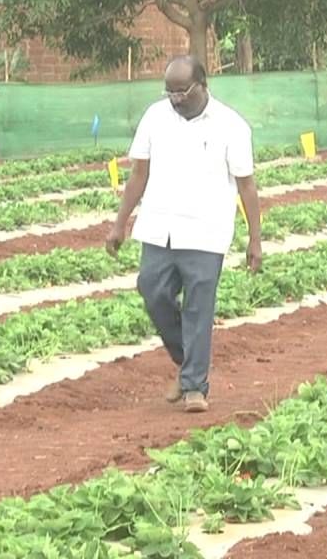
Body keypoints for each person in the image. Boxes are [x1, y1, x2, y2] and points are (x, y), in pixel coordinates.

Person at [104, 55, 263, 413]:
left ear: (202, 85)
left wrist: (255, 239)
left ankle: (195, 387)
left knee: (198, 308)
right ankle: (187, 361)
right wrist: (120, 223)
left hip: (207, 232)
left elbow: (247, 186)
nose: (175, 98)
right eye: (170, 91)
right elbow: (138, 175)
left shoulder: (231, 125)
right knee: (152, 291)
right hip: (159, 228)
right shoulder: (154, 117)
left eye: (182, 91)